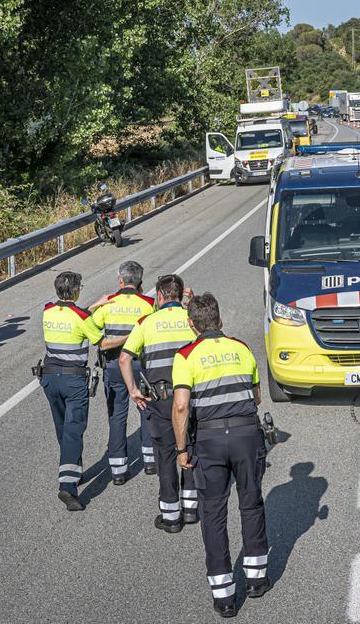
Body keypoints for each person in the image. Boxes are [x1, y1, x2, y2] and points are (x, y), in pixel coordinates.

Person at [171, 293, 269, 618]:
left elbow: (182, 405)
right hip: (246, 434)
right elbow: (256, 397)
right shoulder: (242, 347)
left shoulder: (185, 355)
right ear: (220, 320)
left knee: (213, 513)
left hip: (209, 439)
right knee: (251, 502)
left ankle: (224, 595)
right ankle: (256, 579)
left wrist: (182, 448)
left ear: (191, 325)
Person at [119, 274, 198, 532]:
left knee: (165, 456)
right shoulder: (191, 319)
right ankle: (191, 509)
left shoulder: (147, 323)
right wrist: (194, 304)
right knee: (188, 448)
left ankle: (171, 516)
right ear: (180, 294)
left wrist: (133, 391)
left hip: (160, 399)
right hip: (189, 397)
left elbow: (124, 358)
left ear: (160, 296)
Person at [39, 271, 104, 511]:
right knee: (74, 430)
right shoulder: (82, 316)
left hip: (49, 377)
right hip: (73, 381)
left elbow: (73, 318)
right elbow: (100, 340)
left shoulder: (47, 311)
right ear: (76, 291)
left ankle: (73, 469)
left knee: (63, 429)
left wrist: (93, 307)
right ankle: (67, 485)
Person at [90, 261, 156, 484]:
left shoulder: (108, 304)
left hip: (114, 366)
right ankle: (150, 462)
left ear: (120, 280)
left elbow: (91, 330)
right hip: (141, 365)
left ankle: (118, 470)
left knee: (117, 416)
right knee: (146, 409)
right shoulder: (148, 304)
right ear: (139, 282)